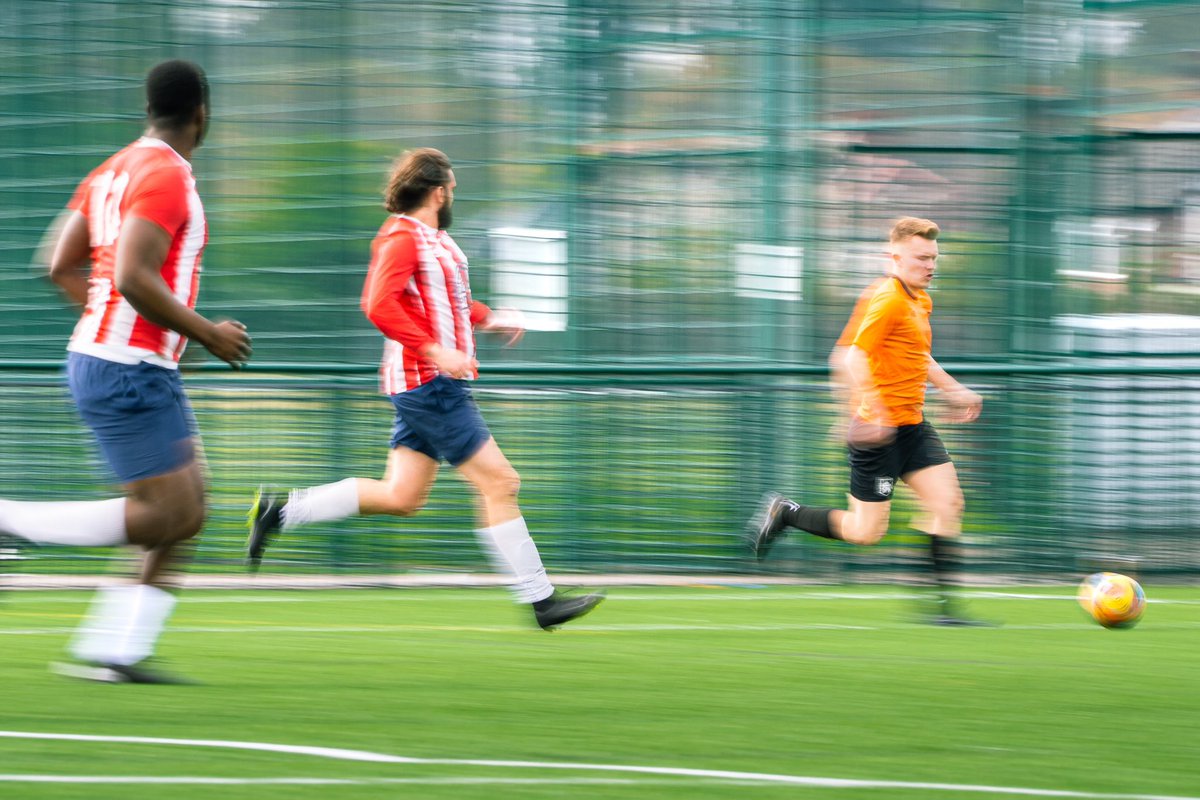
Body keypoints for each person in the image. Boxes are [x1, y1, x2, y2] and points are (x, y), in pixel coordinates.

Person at [247, 147, 604, 630]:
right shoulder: (402, 237)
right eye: (452, 188)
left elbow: (448, 301)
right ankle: (542, 601)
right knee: (501, 483)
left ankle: (281, 512)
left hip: (428, 384)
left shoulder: (432, 240)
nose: (453, 194)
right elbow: (378, 304)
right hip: (429, 384)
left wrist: (489, 317)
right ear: (438, 192)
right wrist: (437, 352)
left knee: (402, 496)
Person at [0, 60, 253, 682]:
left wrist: (140, 329)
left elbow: (58, 264)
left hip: (121, 358)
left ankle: (117, 650)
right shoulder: (167, 175)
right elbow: (133, 275)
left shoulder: (115, 167)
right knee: (171, 515)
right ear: (202, 112)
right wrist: (205, 332)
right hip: (125, 366)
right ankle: (11, 520)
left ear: (149, 109)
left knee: (188, 508)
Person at [748, 217, 986, 625]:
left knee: (947, 503)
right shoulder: (888, 299)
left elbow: (917, 355)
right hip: (879, 435)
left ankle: (945, 612)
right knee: (865, 532)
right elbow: (850, 356)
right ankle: (785, 512)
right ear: (893, 257)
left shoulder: (919, 299)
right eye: (921, 258)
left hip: (912, 426)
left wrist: (953, 389)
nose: (930, 265)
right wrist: (869, 408)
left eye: (933, 258)